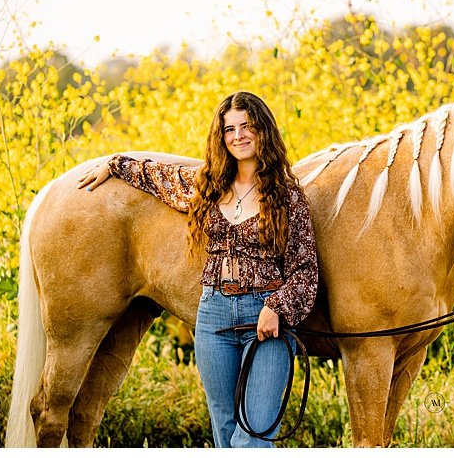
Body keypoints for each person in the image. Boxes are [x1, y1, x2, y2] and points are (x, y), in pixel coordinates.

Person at [78, 91, 318, 447]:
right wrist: (114, 165)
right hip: (213, 319)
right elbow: (157, 177)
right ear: (221, 137)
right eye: (229, 129)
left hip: (265, 322)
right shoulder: (206, 186)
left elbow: (306, 270)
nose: (238, 136)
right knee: (224, 432)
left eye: (246, 126)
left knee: (252, 436)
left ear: (263, 130)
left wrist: (276, 308)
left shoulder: (287, 196)